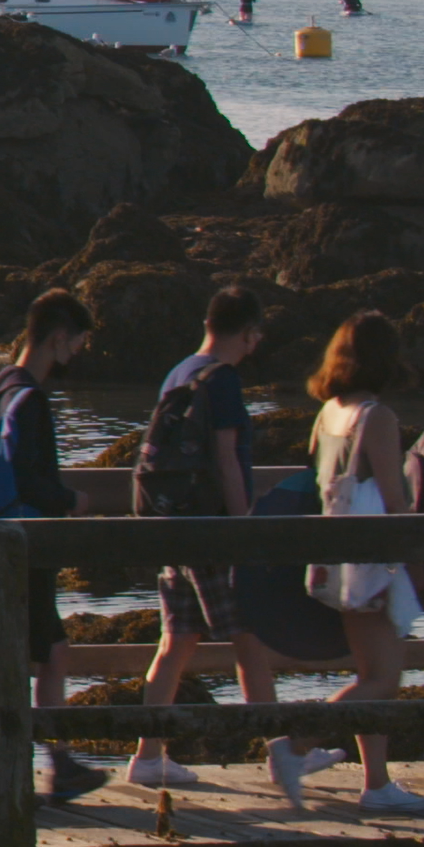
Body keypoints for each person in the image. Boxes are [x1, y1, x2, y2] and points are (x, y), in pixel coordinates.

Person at [132, 287, 275, 788]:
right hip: (213, 529)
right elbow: (226, 458)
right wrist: (244, 531)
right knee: (250, 638)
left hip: (174, 525)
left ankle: (148, 756)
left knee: (176, 642)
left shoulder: (180, 372)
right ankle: (282, 755)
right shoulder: (223, 380)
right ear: (250, 333)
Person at [0, 287, 104, 804]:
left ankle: (33, 760)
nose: (76, 354)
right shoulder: (32, 400)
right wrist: (74, 499)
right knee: (49, 653)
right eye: (77, 344)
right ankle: (53, 763)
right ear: (58, 338)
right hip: (25, 544)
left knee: (26, 654)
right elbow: (31, 480)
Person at [295, 311, 424, 814]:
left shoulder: (328, 411)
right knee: (383, 677)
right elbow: (394, 498)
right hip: (373, 557)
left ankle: (376, 783)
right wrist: (419, 553)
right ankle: (295, 744)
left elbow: (317, 479)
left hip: (335, 556)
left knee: (375, 671)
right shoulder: (377, 416)